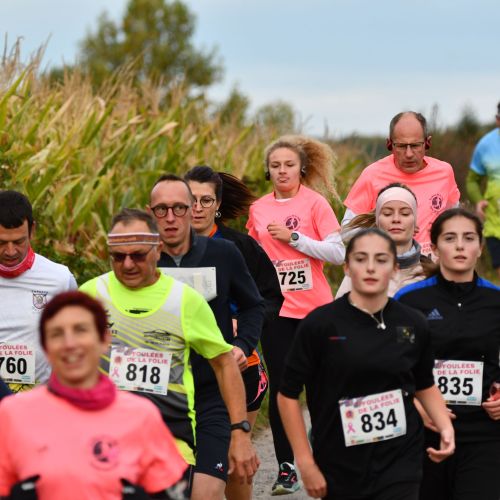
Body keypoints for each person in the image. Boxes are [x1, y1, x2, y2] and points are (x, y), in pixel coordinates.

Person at [79, 209, 258, 499]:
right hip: (103, 444)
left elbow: (225, 364)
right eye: (118, 256)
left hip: (169, 445)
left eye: (138, 255)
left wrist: (240, 432)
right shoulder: (89, 296)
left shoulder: (185, 300)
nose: (127, 264)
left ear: (158, 248)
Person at [278, 228, 455, 500]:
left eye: (381, 260)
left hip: (401, 459)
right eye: (361, 259)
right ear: (347, 267)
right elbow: (287, 396)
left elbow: (424, 385)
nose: (371, 267)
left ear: (395, 269)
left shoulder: (412, 322)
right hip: (339, 461)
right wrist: (305, 461)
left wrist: (445, 426)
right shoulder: (320, 325)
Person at [0, 291, 187, 499]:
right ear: (45, 347)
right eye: (56, 334)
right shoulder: (13, 413)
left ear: (104, 339)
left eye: (80, 330)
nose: (69, 343)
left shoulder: (142, 415)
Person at [148, 175, 264, 500]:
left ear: (191, 209)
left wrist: (243, 345)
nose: (171, 217)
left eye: (179, 208)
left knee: (209, 490)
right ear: (150, 212)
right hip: (162, 393)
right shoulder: (142, 259)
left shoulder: (225, 253)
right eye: (162, 210)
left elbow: (254, 305)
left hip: (213, 388)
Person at [246, 135, 345, 495]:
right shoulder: (258, 209)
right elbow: (251, 258)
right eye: (275, 166)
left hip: (316, 309)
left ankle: (325, 458)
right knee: (283, 388)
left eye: (289, 165)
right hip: (277, 310)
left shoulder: (316, 204)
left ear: (301, 168)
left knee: (320, 385)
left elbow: (337, 253)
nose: (282, 171)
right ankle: (286, 467)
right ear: (268, 171)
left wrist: (296, 239)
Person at [184, 165, 283, 500]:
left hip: (240, 368)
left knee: (232, 460)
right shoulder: (165, 251)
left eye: (206, 200)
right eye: (191, 200)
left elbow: (270, 299)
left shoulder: (240, 247)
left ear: (218, 205)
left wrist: (242, 331)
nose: (197, 208)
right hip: (184, 372)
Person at [394, 208, 500, 500]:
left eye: (469, 238)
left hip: (484, 433)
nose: (460, 246)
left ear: (480, 247)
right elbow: (395, 364)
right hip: (424, 432)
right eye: (450, 238)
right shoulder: (410, 300)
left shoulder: (495, 300)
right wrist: (417, 404)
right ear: (435, 247)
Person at [343, 111, 461, 256]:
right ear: (389, 144)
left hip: (432, 265)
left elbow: (454, 219)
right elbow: (346, 232)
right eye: (401, 146)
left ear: (427, 143)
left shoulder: (444, 172)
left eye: (415, 145)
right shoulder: (372, 175)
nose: (409, 154)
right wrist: (386, 231)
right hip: (389, 263)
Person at [0, 190, 77, 393]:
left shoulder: (60, 279)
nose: (10, 251)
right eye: (1, 243)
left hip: (41, 402)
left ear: (32, 230)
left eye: (19, 241)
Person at [337, 183, 431, 297]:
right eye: (387, 214)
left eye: (405, 213)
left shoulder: (430, 273)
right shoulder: (359, 271)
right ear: (377, 220)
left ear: (415, 221)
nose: (396, 219)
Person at [466, 101, 500, 281]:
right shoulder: (485, 145)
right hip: (495, 224)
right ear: (497, 120)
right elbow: (472, 181)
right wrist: (479, 200)